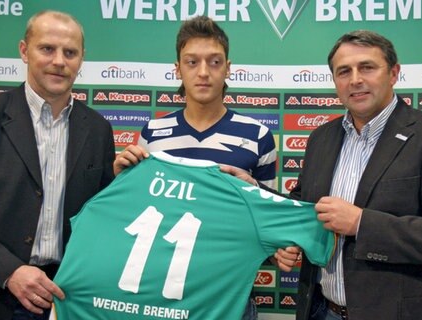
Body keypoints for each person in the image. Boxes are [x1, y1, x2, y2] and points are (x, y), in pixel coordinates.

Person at [113, 15, 301, 320]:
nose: (203, 73)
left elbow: (270, 216)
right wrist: (121, 181)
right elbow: (134, 211)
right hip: (158, 296)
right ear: (177, 68)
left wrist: (254, 191)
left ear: (228, 68)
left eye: (214, 62)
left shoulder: (257, 136)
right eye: (192, 62)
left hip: (229, 298)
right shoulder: (152, 133)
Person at [284, 30, 422, 320]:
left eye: (367, 67)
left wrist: (361, 223)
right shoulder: (321, 138)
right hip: (321, 310)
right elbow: (305, 207)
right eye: (343, 71)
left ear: (394, 73)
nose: (355, 79)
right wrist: (286, 235)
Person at [0, 10, 115, 320]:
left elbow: (101, 216)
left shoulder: (98, 129)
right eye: (47, 49)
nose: (59, 61)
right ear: (23, 51)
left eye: (70, 52)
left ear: (81, 58)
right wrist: (8, 271)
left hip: (60, 299)